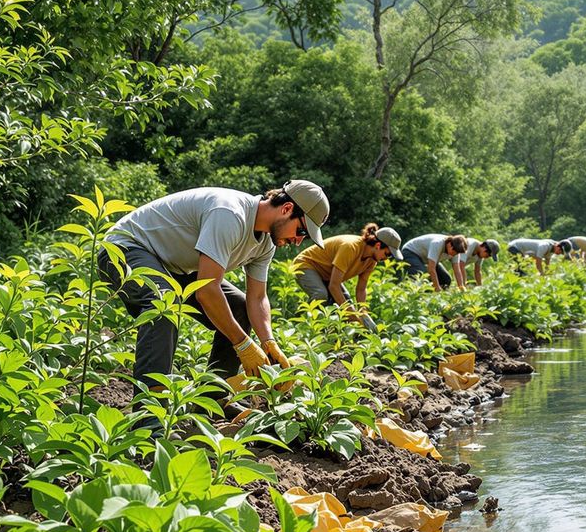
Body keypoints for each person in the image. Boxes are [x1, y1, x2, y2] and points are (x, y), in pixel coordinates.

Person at [99, 181, 329, 422]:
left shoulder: (265, 244)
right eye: (302, 231)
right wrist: (243, 345)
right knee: (163, 305)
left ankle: (213, 400)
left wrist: (268, 342)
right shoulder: (230, 214)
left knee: (238, 307)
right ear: (286, 209)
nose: (298, 241)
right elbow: (207, 290)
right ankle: (149, 418)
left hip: (173, 266)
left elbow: (257, 298)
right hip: (125, 248)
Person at [291, 223, 401, 329]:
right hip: (306, 264)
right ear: (378, 246)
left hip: (327, 274)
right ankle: (301, 325)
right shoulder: (350, 247)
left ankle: (335, 336)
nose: (386, 259)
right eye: (387, 254)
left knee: (347, 302)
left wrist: (363, 312)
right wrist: (352, 316)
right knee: (321, 294)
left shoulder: (372, 261)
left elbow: (361, 289)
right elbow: (333, 286)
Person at [400, 233, 468, 291]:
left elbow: (457, 270)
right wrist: (437, 288)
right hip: (410, 252)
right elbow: (431, 269)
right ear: (450, 244)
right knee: (423, 276)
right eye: (454, 252)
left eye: (457, 253)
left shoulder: (456, 251)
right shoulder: (437, 243)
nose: (454, 255)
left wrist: (461, 287)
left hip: (425, 258)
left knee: (446, 280)